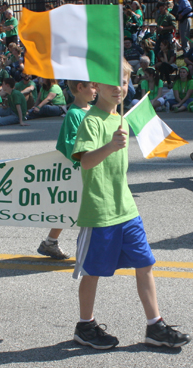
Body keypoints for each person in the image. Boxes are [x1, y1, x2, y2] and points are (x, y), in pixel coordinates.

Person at [71, 59, 191, 350]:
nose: (118, 87)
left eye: (124, 81)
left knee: (145, 263)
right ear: (95, 86)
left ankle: (155, 326)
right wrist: (110, 145)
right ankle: (85, 326)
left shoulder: (121, 119)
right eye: (112, 82)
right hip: (100, 211)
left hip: (126, 209)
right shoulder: (92, 120)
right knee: (92, 270)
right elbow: (85, 161)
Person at [36, 80, 96, 260]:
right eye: (93, 86)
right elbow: (71, 144)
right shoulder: (74, 114)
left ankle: (50, 242)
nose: (96, 89)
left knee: (73, 208)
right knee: (84, 209)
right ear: (80, 88)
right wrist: (89, 153)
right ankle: (88, 252)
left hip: (94, 167)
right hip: (82, 169)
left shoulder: (92, 110)